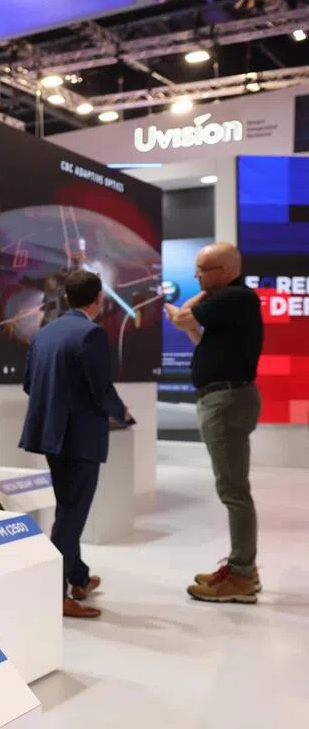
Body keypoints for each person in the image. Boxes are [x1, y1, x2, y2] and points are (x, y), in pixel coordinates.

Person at [20, 270, 127, 619]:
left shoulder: (45, 332)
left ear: (66, 298)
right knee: (71, 515)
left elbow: (28, 384)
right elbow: (101, 389)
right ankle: (56, 592)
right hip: (80, 439)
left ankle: (79, 577)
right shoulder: (91, 333)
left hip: (51, 437)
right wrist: (121, 414)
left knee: (68, 507)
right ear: (99, 299)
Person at [165, 242, 263, 604]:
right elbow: (198, 335)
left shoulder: (234, 297)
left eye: (203, 269)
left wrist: (192, 300)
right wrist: (193, 311)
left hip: (227, 401)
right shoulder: (232, 302)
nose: (195, 276)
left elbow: (182, 319)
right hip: (224, 399)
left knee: (233, 490)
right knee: (232, 487)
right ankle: (241, 568)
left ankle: (241, 574)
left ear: (224, 272)